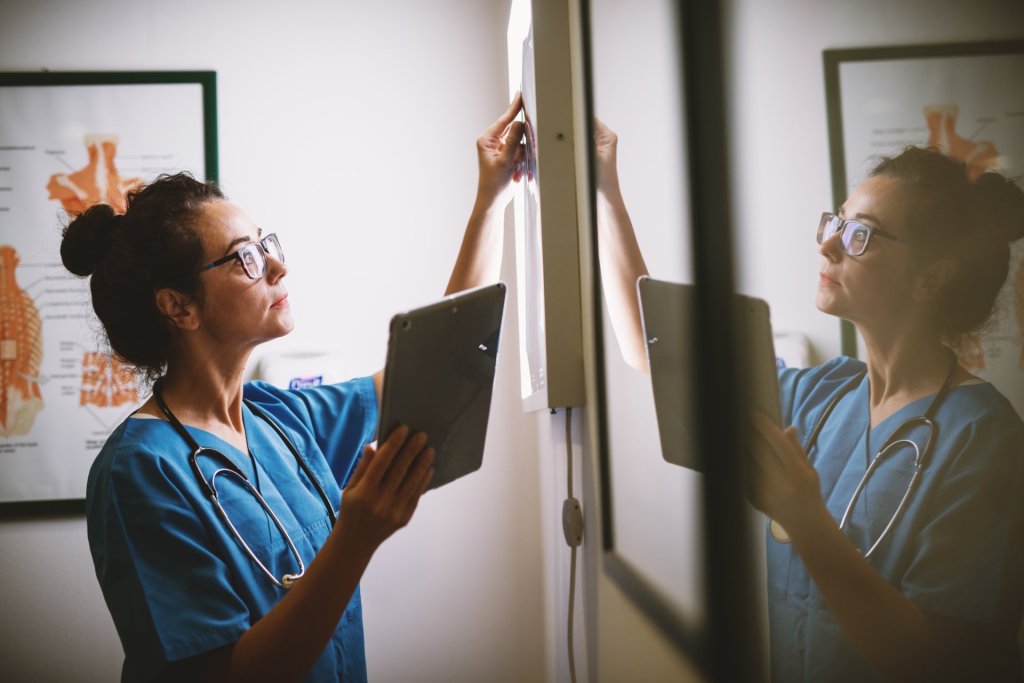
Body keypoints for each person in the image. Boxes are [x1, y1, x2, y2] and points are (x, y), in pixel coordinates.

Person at [62, 95, 524, 683]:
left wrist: (491, 199)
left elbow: (443, 360)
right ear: (178, 306)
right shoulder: (139, 473)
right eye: (244, 259)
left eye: (266, 244)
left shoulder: (280, 419)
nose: (277, 268)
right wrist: (355, 539)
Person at [593, 127, 1024, 681]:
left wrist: (804, 516)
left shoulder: (984, 438)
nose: (828, 243)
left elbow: (929, 661)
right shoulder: (820, 396)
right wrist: (604, 183)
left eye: (860, 234)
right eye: (836, 222)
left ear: (931, 277)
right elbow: (651, 351)